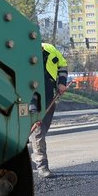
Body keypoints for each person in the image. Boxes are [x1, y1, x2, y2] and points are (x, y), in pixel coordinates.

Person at [29, 42, 68, 178]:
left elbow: (62, 65)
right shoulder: (22, 50)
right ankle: (42, 166)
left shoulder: (50, 48)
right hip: (30, 95)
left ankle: (31, 157)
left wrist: (62, 82)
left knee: (42, 130)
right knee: (38, 131)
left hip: (48, 93)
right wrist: (33, 109)